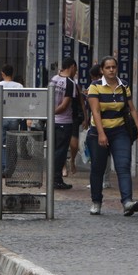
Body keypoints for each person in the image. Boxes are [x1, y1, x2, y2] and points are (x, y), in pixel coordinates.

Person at [86, 56, 138, 216]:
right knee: (98, 168)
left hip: (120, 131)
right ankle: (96, 201)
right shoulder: (95, 87)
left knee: (123, 165)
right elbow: (95, 111)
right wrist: (101, 134)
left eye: (114, 67)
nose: (111, 70)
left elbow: (132, 109)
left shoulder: (123, 86)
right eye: (108, 67)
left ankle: (127, 202)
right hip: (98, 132)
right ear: (102, 70)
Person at [49, 58, 78, 190]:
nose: (75, 72)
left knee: (54, 150)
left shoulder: (53, 79)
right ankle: (56, 179)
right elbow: (65, 105)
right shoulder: (70, 83)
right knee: (60, 152)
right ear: (72, 67)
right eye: (75, 69)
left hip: (52, 122)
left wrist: (48, 114)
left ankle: (53, 178)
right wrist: (54, 112)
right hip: (64, 122)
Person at [0, 64, 25, 178]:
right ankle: (10, 168)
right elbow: (22, 103)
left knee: (2, 144)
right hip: (14, 118)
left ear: (2, 73)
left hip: (2, 117)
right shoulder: (19, 86)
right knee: (12, 144)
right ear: (12, 73)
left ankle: (2, 167)